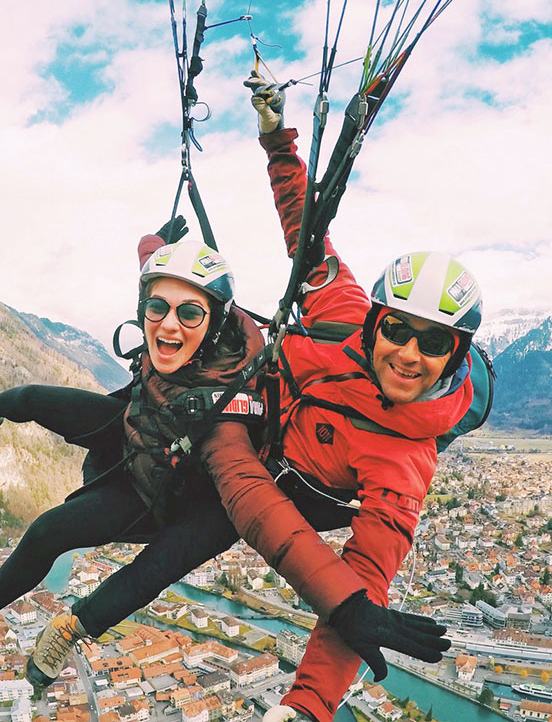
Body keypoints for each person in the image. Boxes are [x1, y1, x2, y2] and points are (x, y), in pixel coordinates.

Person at [0, 219, 448, 694]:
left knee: (76, 538)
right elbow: (156, 268)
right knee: (28, 398)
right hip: (146, 426)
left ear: (213, 323)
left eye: (189, 315)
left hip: (183, 487)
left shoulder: (227, 410)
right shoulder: (178, 317)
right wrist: (158, 245)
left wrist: (345, 604)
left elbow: (257, 507)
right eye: (156, 308)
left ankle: (70, 629)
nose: (169, 324)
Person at [195, 75, 484, 722]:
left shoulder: (402, 462)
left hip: (261, 483)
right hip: (238, 421)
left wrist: (307, 706)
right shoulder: (340, 307)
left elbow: (361, 583)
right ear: (373, 322)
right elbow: (305, 225)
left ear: (454, 357)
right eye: (398, 330)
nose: (408, 354)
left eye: (433, 343)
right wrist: (275, 138)